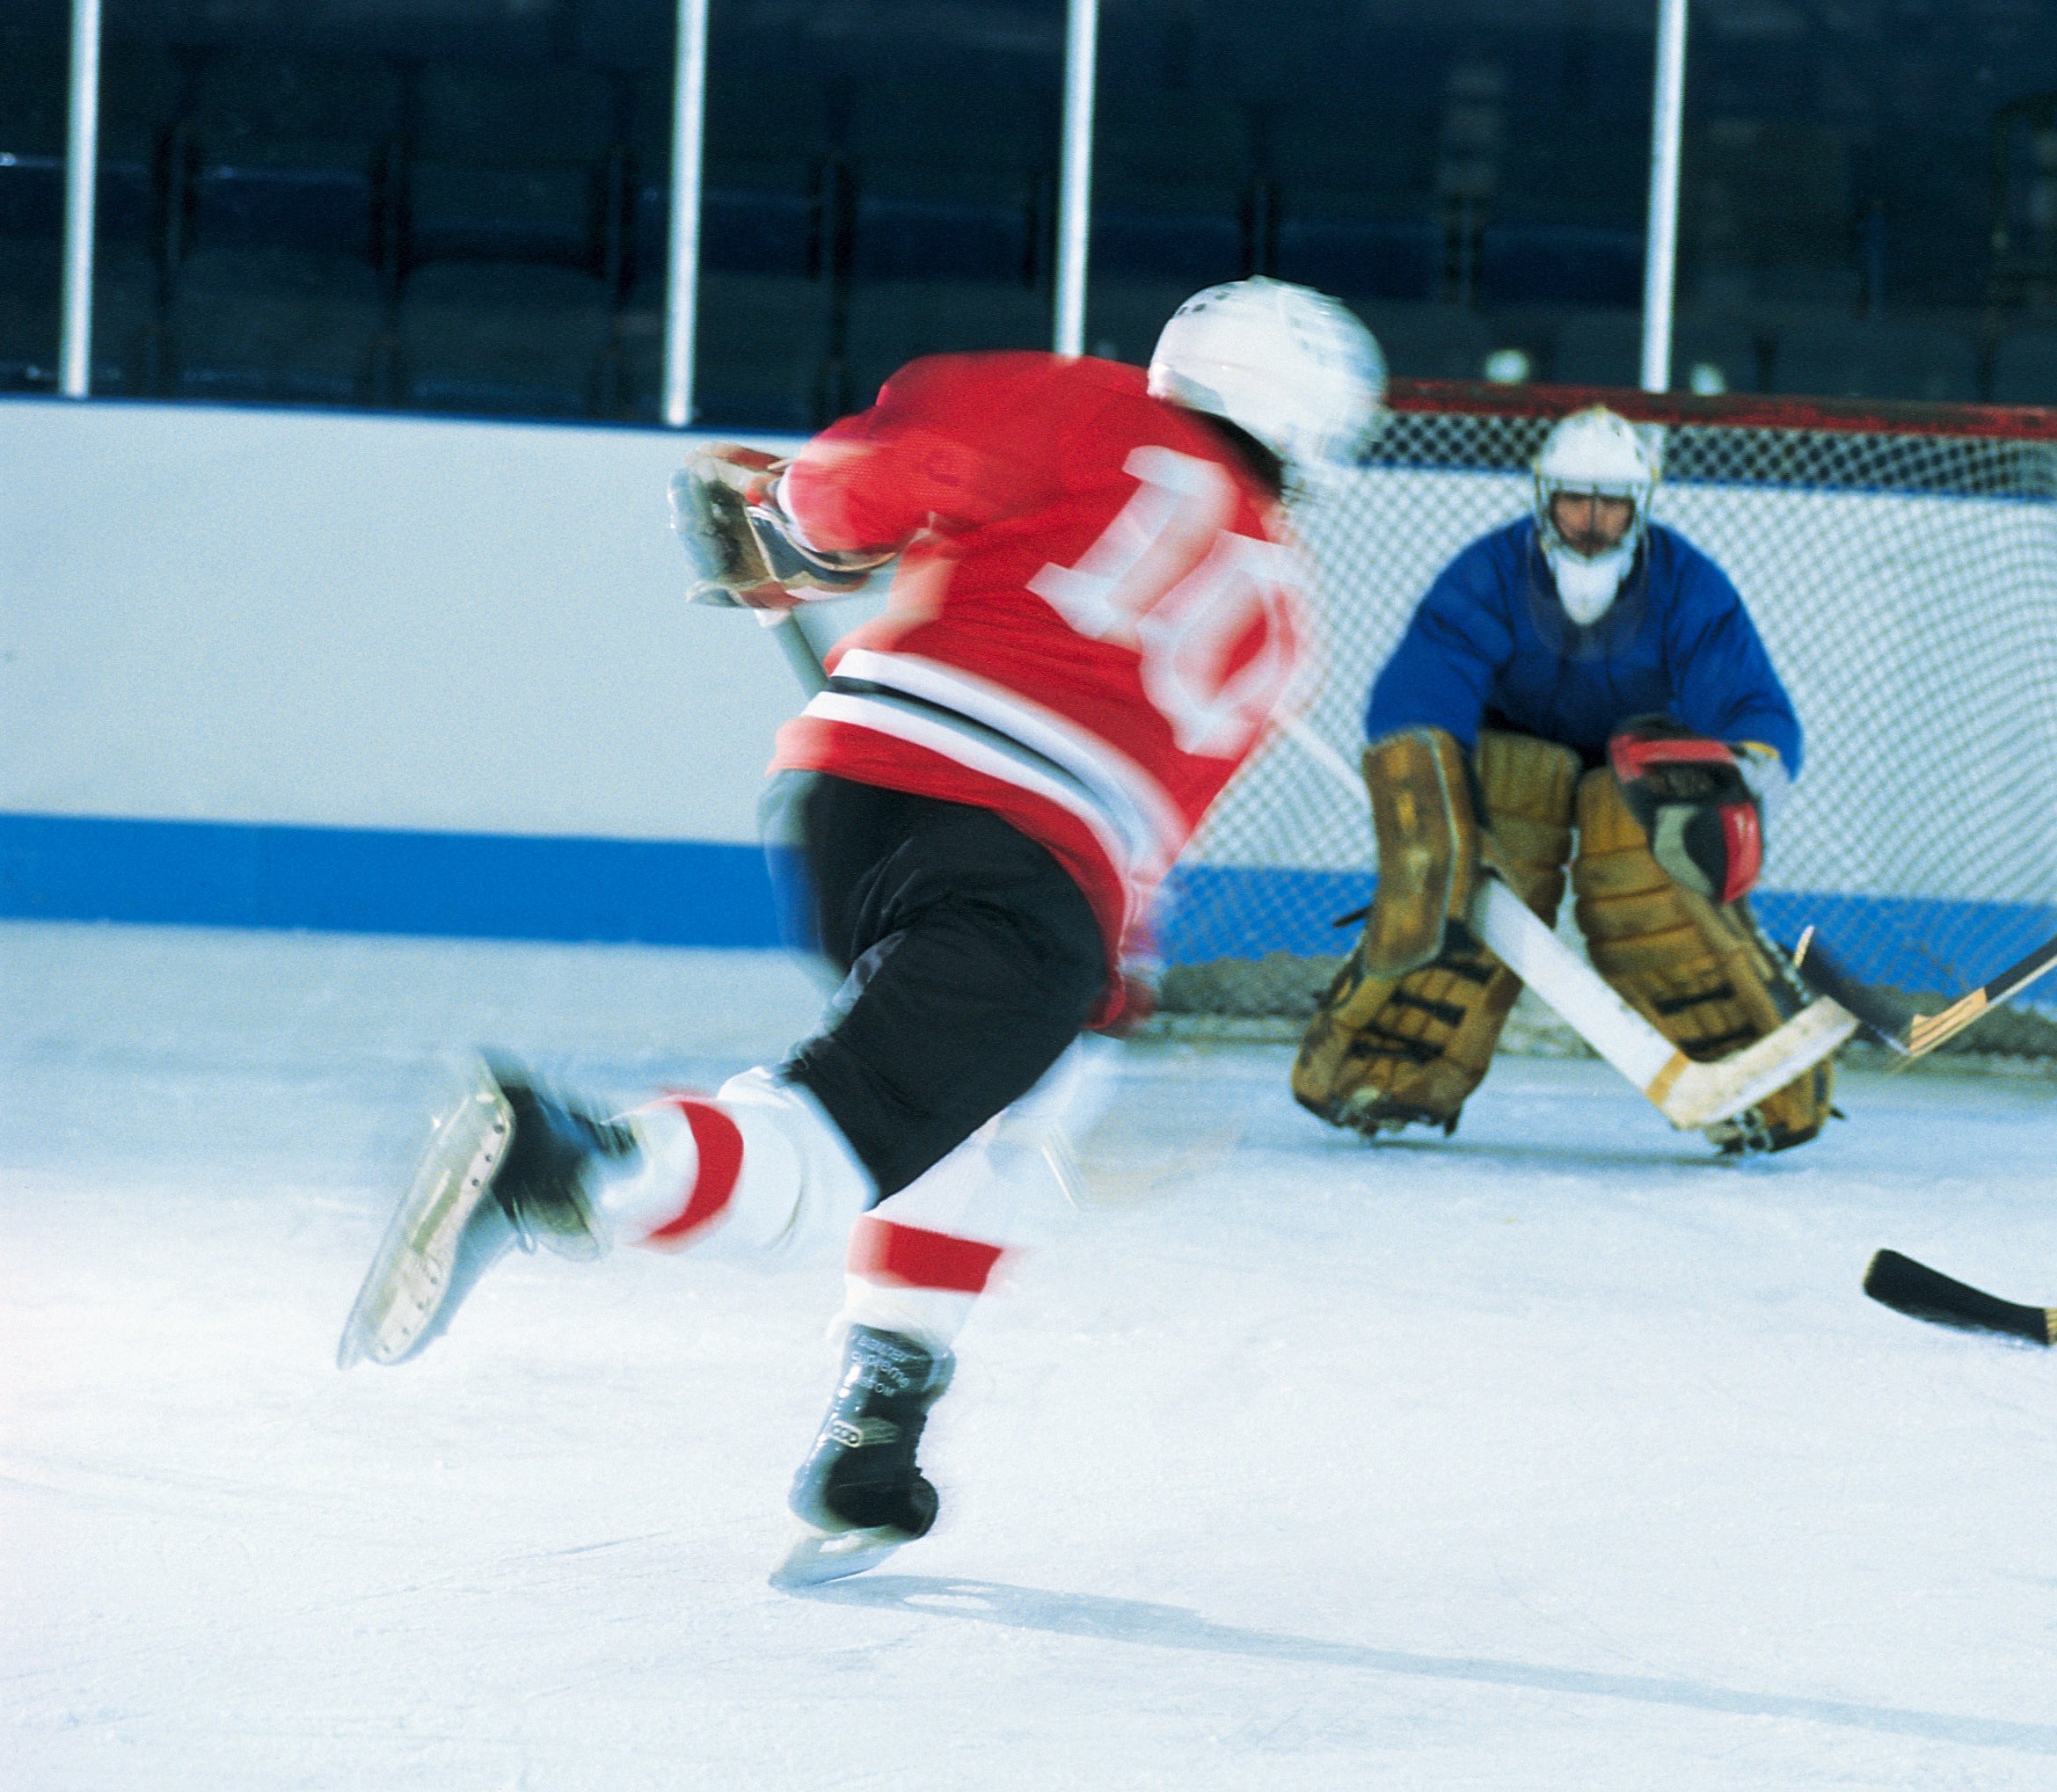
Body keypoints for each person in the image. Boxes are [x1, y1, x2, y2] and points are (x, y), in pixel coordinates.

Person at [339, 279, 1386, 1584]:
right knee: (829, 1150)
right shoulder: (1287, 616)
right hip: (1037, 867)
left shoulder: (1095, 408)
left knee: (998, 1123)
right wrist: (1104, 997)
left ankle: (876, 1437)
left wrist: (787, 519)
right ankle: (575, 1161)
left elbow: (901, 461)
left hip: (857, 799)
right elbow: (1139, 826)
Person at [1289, 404, 1827, 1155]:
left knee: (1657, 904)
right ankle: (1390, 1077)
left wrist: (1741, 775)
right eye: (1576, 498)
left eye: (1612, 503)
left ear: (1640, 506)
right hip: (1513, 767)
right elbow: (1422, 691)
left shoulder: (1688, 583)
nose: (1592, 519)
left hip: (1638, 776)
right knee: (1464, 891)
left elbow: (1752, 707)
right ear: (1544, 496)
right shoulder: (1489, 572)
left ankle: (1761, 1095)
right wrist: (1427, 789)